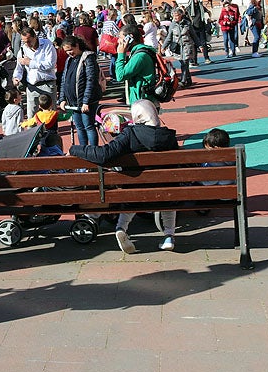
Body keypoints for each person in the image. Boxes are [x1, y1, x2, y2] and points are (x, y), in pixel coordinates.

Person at [69, 100, 179, 252]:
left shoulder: (131, 133)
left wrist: (75, 149)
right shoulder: (169, 137)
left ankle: (121, 228)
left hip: (134, 193)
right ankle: (169, 236)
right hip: (165, 194)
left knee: (132, 187)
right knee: (167, 191)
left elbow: (104, 155)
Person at [59, 35, 102, 146]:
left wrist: (86, 101)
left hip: (87, 101)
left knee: (88, 126)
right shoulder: (69, 60)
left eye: (70, 49)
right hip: (74, 101)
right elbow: (64, 80)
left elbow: (91, 80)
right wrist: (62, 99)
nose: (69, 53)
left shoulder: (88, 58)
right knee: (79, 127)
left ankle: (93, 150)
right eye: (66, 51)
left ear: (77, 46)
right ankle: (83, 150)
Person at [12, 27, 58, 118]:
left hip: (48, 84)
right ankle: (34, 132)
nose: (27, 44)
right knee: (31, 116)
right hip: (32, 86)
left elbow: (50, 65)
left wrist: (30, 63)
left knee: (51, 115)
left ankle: (51, 131)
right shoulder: (23, 49)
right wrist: (16, 77)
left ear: (35, 37)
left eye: (29, 41)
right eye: (24, 41)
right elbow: (19, 68)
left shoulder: (47, 44)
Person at [114, 25, 159, 104]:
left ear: (130, 38)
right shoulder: (139, 52)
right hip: (141, 100)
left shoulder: (140, 56)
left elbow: (120, 75)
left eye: (121, 37)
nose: (118, 41)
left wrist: (121, 54)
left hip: (142, 101)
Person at [160, 8, 194, 88]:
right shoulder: (172, 25)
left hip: (186, 46)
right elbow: (169, 37)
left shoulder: (187, 23)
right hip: (177, 47)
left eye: (177, 15)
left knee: (185, 63)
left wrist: (200, 45)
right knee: (183, 63)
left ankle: (182, 81)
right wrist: (164, 46)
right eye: (174, 16)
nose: (175, 17)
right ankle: (188, 80)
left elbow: (194, 35)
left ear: (181, 15)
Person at [184, 0, 212, 65]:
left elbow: (209, 12)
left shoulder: (201, 7)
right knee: (194, 45)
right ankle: (194, 60)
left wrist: (209, 18)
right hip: (193, 28)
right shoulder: (189, 8)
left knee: (203, 43)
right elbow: (184, 16)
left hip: (201, 27)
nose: (196, 0)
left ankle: (206, 58)